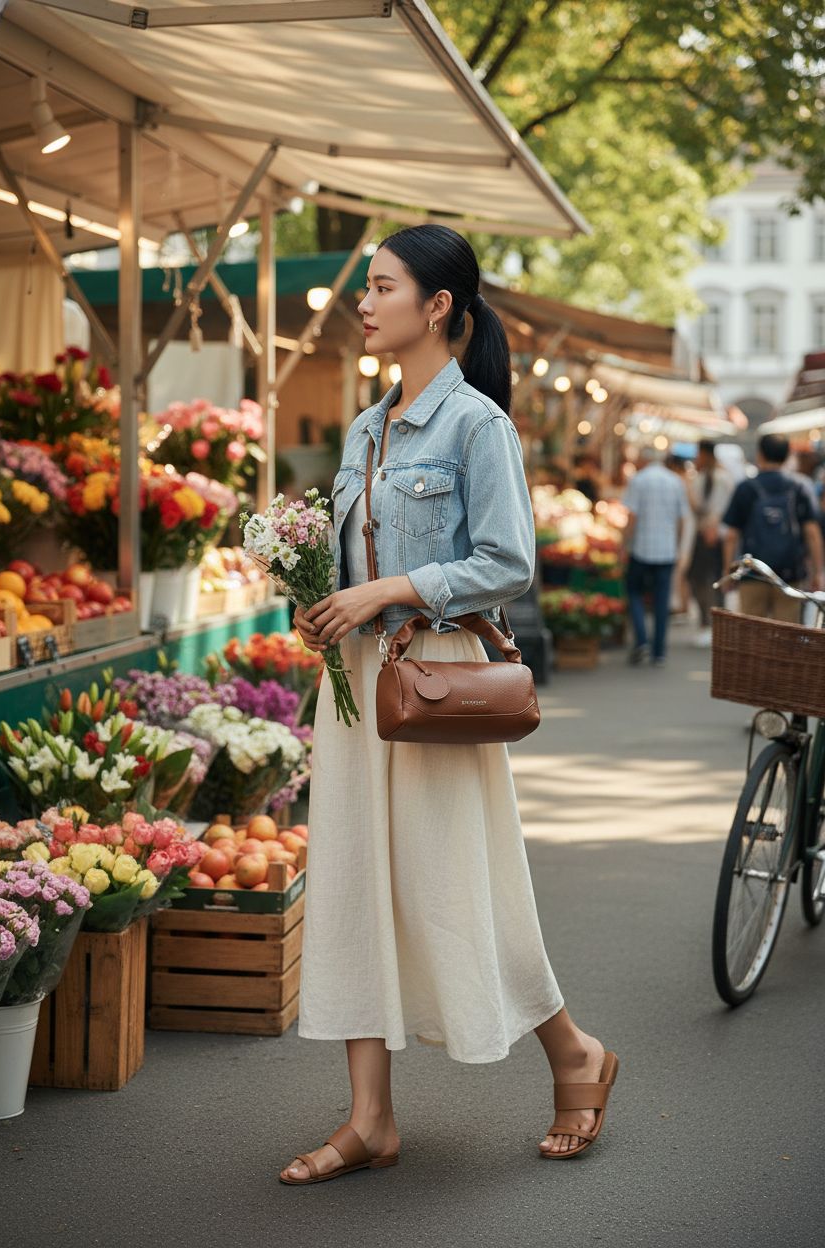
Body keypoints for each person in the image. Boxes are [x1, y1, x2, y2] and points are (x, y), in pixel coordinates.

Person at [279, 225, 618, 1184]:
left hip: (433, 683)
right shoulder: (364, 427)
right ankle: (370, 1120)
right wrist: (324, 600)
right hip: (353, 690)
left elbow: (507, 562)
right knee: (353, 886)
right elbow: (354, 559)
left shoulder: (479, 425)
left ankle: (574, 1052)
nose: (365, 302)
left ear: (437, 306)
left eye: (381, 287)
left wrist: (388, 593)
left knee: (456, 889)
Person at [723, 433, 825, 621]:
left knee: (753, 633)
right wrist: (818, 572)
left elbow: (731, 535)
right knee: (786, 636)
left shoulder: (746, 488)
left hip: (753, 573)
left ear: (760, 454)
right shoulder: (800, 486)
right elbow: (812, 533)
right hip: (790, 576)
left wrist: (728, 572)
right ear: (787, 456)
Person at [622, 448, 690, 666]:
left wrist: (624, 544)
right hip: (666, 549)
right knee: (661, 599)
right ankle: (659, 651)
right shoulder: (675, 481)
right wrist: (677, 544)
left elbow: (631, 516)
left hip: (642, 548)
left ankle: (641, 639)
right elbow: (682, 519)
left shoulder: (638, 480)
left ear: (644, 459)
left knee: (634, 592)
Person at [686, 440, 734, 646]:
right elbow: (698, 507)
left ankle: (716, 623)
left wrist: (715, 528)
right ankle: (707, 620)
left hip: (717, 536)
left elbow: (726, 509)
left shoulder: (722, 478)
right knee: (697, 578)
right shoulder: (700, 478)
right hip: (701, 534)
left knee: (716, 579)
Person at [666, 453, 696, 616]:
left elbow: (690, 505)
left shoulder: (680, 482)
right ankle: (682, 604)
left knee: (681, 566)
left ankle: (680, 604)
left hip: (683, 525)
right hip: (685, 524)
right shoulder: (684, 481)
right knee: (682, 566)